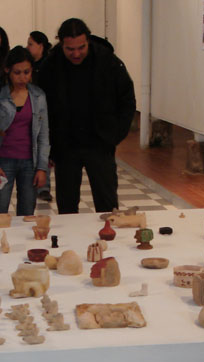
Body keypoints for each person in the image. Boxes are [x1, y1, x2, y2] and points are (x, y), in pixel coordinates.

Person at [37, 18, 136, 215]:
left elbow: (127, 99)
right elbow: (40, 109)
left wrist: (114, 134)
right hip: (65, 146)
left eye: (81, 48)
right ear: (60, 43)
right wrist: (48, 146)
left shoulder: (108, 61)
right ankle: (68, 245)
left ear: (88, 40)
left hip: (100, 143)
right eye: (69, 49)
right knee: (66, 206)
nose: (76, 54)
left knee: (107, 205)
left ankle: (108, 243)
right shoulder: (50, 66)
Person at [0, 46, 49, 217]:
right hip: (3, 160)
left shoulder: (38, 96)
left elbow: (43, 135)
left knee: (27, 214)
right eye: (17, 72)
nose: (22, 78)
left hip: (29, 163)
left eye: (27, 72)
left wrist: (42, 167)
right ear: (7, 70)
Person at [26, 31, 53, 201]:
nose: (27, 47)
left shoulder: (48, 66)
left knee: (44, 147)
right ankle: (33, 183)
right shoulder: (29, 65)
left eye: (30, 44)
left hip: (45, 112)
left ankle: (44, 186)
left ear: (41, 46)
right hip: (31, 111)